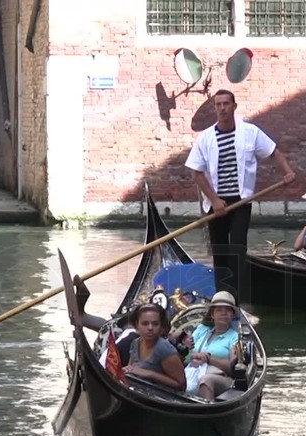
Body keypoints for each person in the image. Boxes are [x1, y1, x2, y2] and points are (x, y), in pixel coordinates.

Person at [185, 89, 296, 302]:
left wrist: (287, 172)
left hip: (241, 200)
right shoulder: (206, 138)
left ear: (234, 106)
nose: (222, 108)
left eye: (226, 104)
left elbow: (273, 151)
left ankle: (236, 298)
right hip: (216, 203)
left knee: (237, 248)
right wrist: (215, 200)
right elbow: (197, 173)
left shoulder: (250, 132)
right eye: (218, 105)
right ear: (215, 108)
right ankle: (222, 297)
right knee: (220, 252)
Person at [186, 291, 241, 401]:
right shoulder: (201, 330)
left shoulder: (235, 338)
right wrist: (193, 356)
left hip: (222, 378)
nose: (223, 313)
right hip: (193, 371)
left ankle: (206, 413)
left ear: (232, 315)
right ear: (212, 314)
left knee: (206, 380)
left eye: (228, 310)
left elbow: (232, 368)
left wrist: (208, 358)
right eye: (219, 310)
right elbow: (186, 355)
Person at [123, 303, 186, 391]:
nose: (150, 328)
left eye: (155, 324)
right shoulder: (135, 343)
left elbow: (181, 384)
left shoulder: (163, 348)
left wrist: (150, 374)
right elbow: (131, 370)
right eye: (145, 323)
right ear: (137, 325)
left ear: (161, 326)